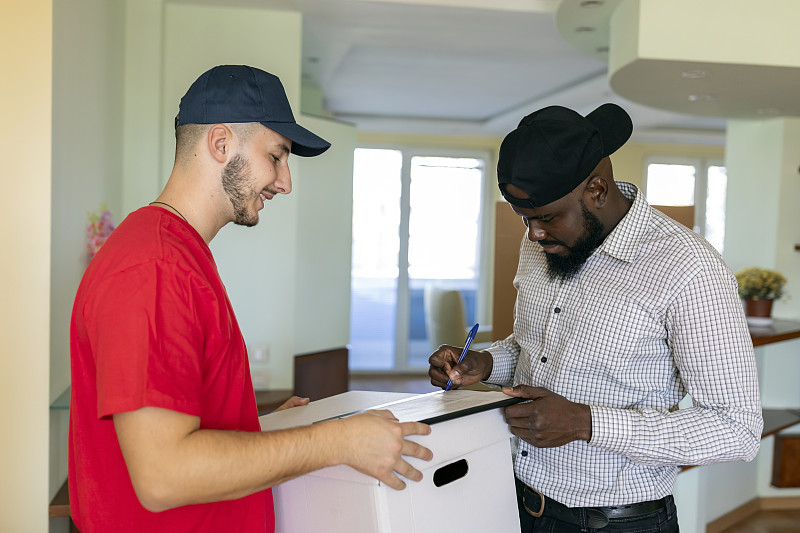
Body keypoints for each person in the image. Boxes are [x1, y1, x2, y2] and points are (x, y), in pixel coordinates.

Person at [69, 64, 433, 533]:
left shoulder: (172, 252)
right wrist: (336, 441)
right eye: (276, 156)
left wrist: (252, 426)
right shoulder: (156, 267)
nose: (285, 182)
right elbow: (164, 473)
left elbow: (178, 417)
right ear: (221, 144)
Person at [428, 103, 763, 532]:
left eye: (547, 218)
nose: (534, 235)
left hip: (618, 523)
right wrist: (486, 363)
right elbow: (535, 349)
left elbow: (735, 429)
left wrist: (586, 422)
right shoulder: (540, 247)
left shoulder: (688, 269)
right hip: (515, 503)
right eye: (525, 219)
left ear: (598, 191)